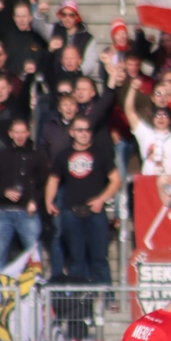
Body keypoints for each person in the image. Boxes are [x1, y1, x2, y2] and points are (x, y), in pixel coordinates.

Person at [44, 115, 121, 286]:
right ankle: (78, 299)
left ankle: (108, 298)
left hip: (96, 213)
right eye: (80, 130)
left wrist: (101, 199)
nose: (84, 134)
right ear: (72, 132)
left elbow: (116, 180)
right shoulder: (63, 155)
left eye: (87, 130)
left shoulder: (100, 153)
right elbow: (53, 180)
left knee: (100, 259)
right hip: (71, 213)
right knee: (76, 259)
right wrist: (49, 201)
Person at [0, 117, 48, 275]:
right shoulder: (1, 155)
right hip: (3, 213)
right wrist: (4, 192)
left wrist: (35, 201)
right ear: (10, 133)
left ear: (28, 133)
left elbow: (44, 183)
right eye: (16, 132)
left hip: (27, 213)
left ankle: (37, 287)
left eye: (22, 132)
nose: (19, 136)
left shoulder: (37, 156)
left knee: (34, 256)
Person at [123, 82, 171, 179]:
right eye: (158, 115)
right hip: (147, 183)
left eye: (164, 116)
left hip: (168, 183)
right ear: (153, 117)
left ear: (169, 119)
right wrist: (133, 88)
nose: (161, 118)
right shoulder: (145, 132)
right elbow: (129, 111)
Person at [34, 0, 99, 77]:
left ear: (76, 17)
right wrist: (39, 14)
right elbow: (38, 26)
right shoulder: (53, 30)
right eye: (64, 15)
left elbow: (90, 62)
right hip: (56, 78)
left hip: (78, 78)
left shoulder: (88, 38)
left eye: (71, 15)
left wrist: (77, 73)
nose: (67, 18)